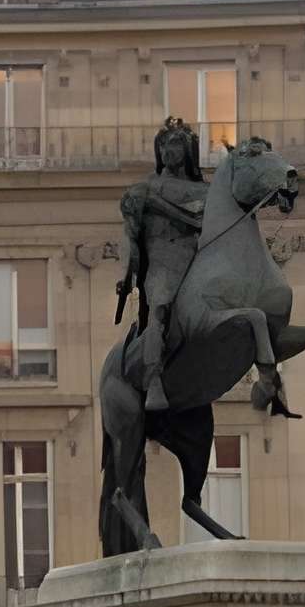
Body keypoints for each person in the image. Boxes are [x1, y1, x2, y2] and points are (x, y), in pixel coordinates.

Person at [113, 117, 208, 411]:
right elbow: (131, 237)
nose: (168, 150)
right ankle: (153, 378)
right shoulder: (145, 188)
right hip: (163, 260)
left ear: (188, 150)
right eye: (163, 145)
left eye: (175, 144)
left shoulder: (206, 191)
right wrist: (128, 273)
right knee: (160, 307)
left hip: (198, 257)